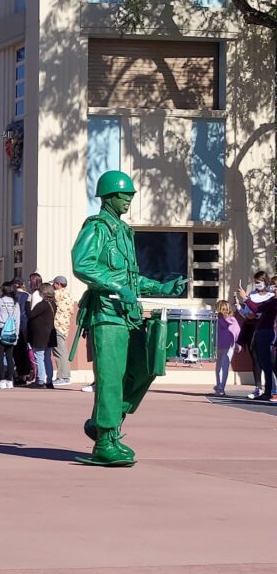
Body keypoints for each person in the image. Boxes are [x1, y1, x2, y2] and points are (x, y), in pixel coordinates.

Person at [71, 170, 186, 466]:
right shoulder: (97, 228)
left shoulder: (124, 231)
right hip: (107, 315)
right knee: (110, 379)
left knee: (146, 367)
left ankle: (103, 422)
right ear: (108, 196)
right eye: (124, 196)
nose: (128, 201)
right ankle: (106, 441)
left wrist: (161, 287)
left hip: (130, 315)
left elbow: (131, 280)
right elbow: (82, 264)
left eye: (131, 196)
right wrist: (115, 287)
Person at [237, 283, 277, 402]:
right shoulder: (271, 300)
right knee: (264, 363)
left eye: (275, 286)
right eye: (273, 285)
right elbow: (257, 308)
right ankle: (268, 391)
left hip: (270, 333)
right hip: (262, 332)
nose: (273, 288)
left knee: (272, 363)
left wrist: (245, 298)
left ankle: (272, 391)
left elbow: (257, 308)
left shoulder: (274, 302)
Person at [26, 283, 57, 389]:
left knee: (39, 356)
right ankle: (49, 381)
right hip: (49, 334)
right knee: (47, 358)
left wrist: (27, 302)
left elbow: (30, 315)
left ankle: (40, 380)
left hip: (40, 335)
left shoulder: (42, 305)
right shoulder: (53, 304)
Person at [213, 300, 240, 397]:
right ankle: (220, 387)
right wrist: (237, 344)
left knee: (220, 367)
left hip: (223, 345)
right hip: (228, 346)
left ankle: (220, 387)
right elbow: (237, 332)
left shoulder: (221, 320)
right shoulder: (233, 320)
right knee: (224, 367)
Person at [51, 276, 73, 386]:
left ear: (58, 284)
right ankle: (64, 376)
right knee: (62, 351)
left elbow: (46, 296)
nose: (53, 286)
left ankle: (63, 376)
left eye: (54, 283)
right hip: (65, 326)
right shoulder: (68, 294)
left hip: (57, 325)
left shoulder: (57, 294)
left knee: (59, 352)